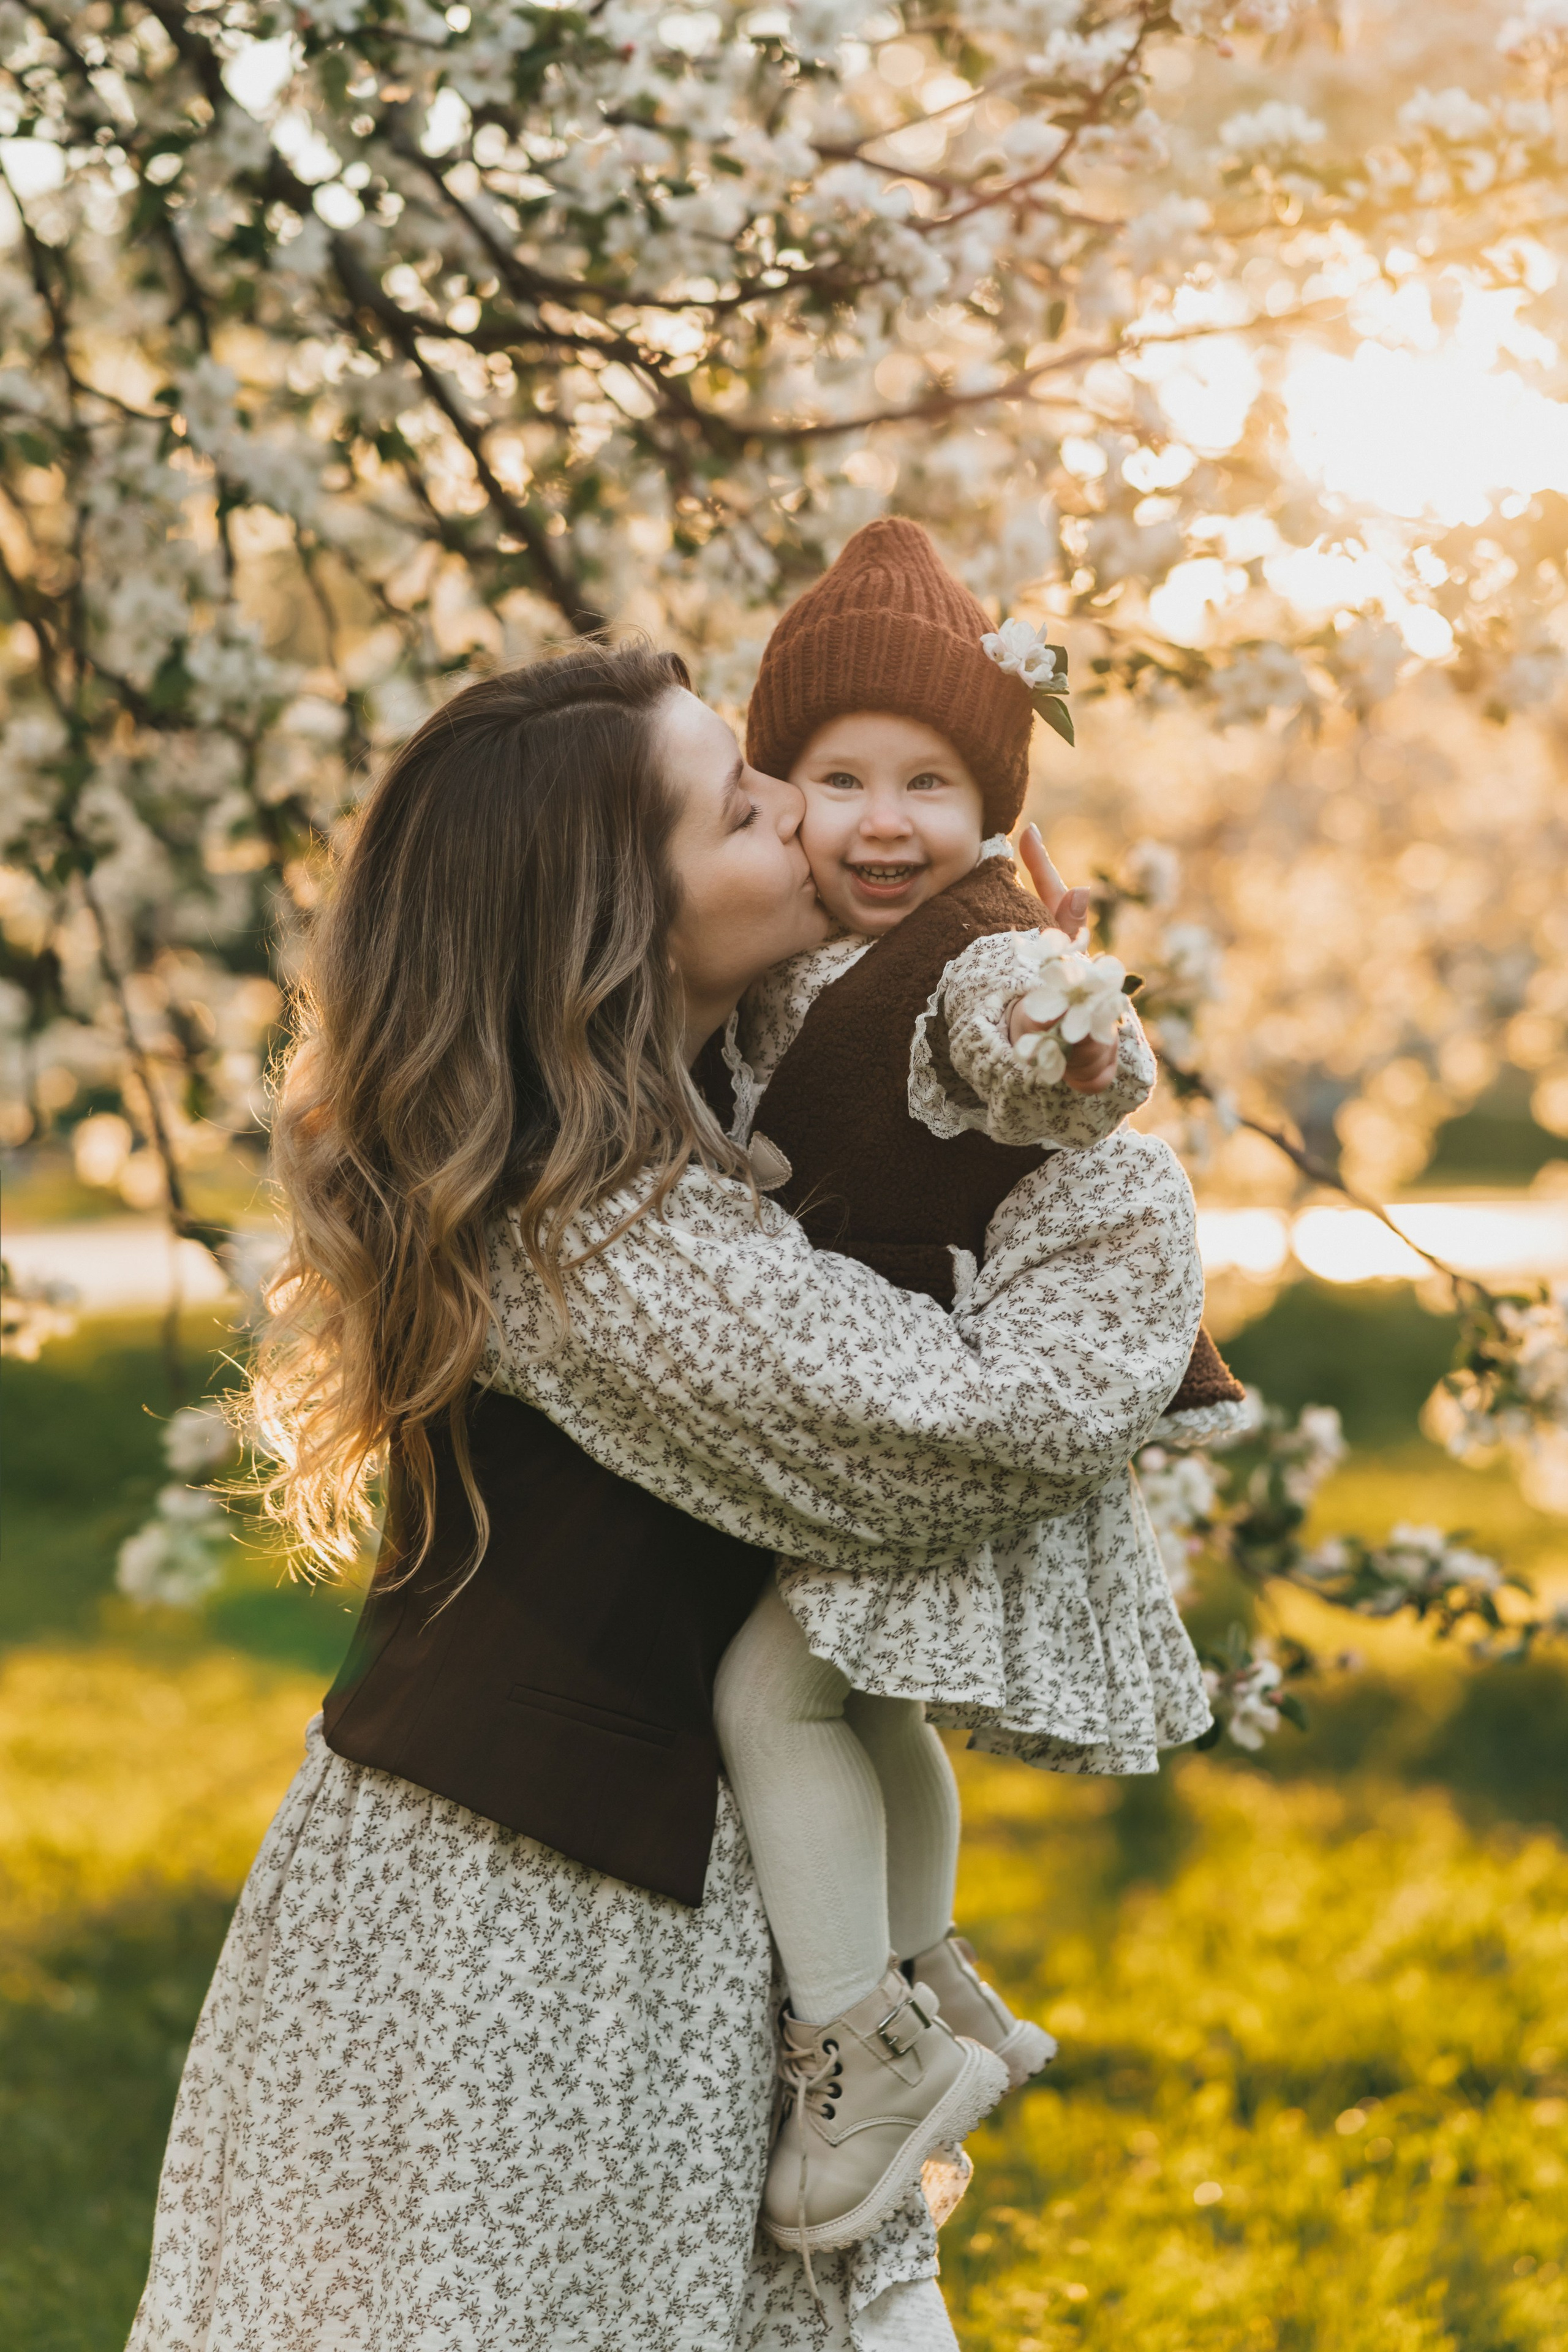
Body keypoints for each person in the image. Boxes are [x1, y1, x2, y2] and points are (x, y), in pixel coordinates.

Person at [127, 641, 1206, 2352]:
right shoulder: (597, 1238)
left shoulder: (718, 1076)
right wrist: (1126, 1192)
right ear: (618, 930)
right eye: (743, 805)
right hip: (531, 1925)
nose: (801, 807)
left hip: (663, 1880)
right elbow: (973, 1423)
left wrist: (1029, 1030)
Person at [704, 520, 1243, 2263]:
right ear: (771, 787)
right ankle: (937, 1986)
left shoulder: (979, 952)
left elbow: (1043, 1026)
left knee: (776, 1704)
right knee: (875, 1710)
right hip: (913, 1407)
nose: (883, 820)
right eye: (836, 774)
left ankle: (859, 2038)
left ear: (997, 820)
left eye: (930, 784)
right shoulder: (795, 952)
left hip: (952, 1414)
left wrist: (1073, 1038)